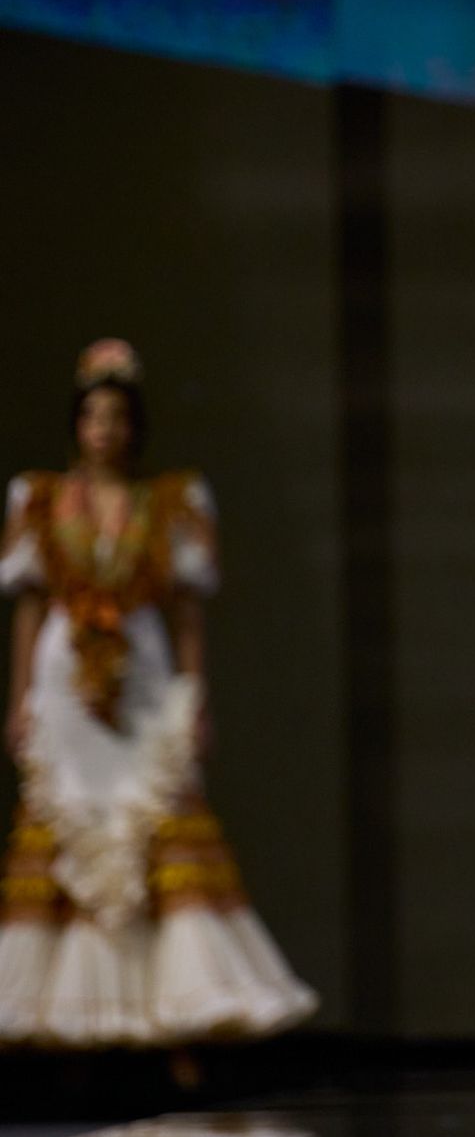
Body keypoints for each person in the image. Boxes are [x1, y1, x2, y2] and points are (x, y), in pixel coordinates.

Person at [0, 340, 317, 1051]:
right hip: (65, 674)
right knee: (72, 819)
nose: (104, 429)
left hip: (141, 670)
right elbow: (27, 603)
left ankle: (176, 1017)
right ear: (76, 424)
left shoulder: (168, 501)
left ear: (133, 424)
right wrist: (18, 695)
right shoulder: (42, 499)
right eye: (92, 415)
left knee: (155, 814)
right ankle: (69, 1020)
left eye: (116, 415)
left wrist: (193, 695)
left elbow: (186, 610)